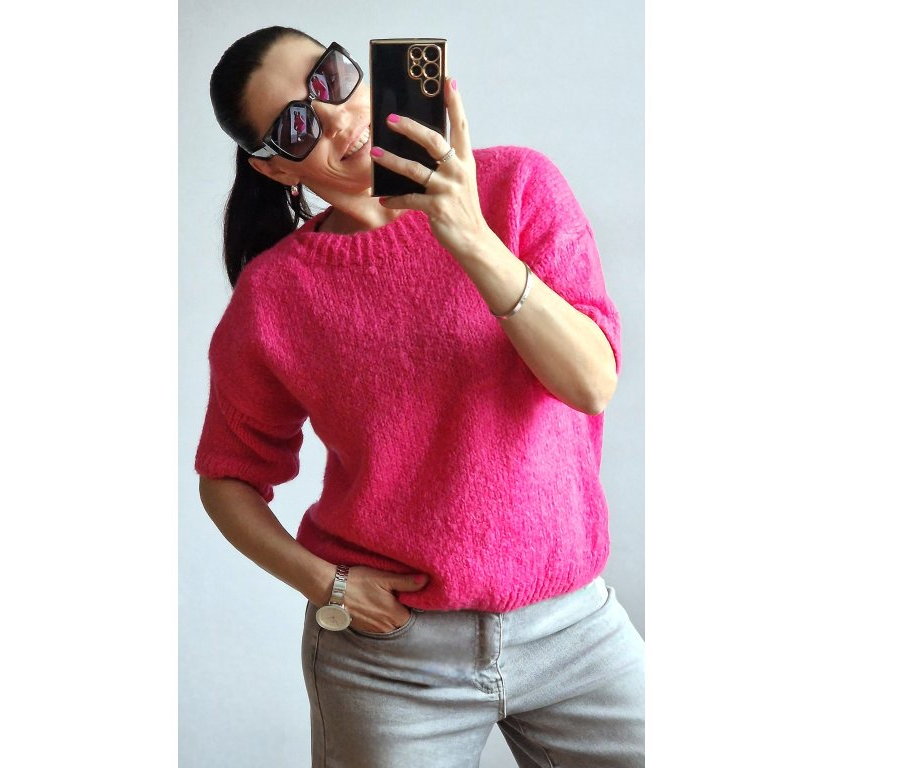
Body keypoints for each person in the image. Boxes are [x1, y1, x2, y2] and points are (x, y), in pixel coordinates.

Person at [195, 25, 645, 768]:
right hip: (392, 660)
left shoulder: (517, 186)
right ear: (274, 168)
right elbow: (226, 478)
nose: (334, 116)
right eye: (297, 125)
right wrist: (328, 585)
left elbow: (591, 383)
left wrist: (468, 235)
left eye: (329, 79)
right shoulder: (275, 295)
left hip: (571, 627)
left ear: (360, 69)